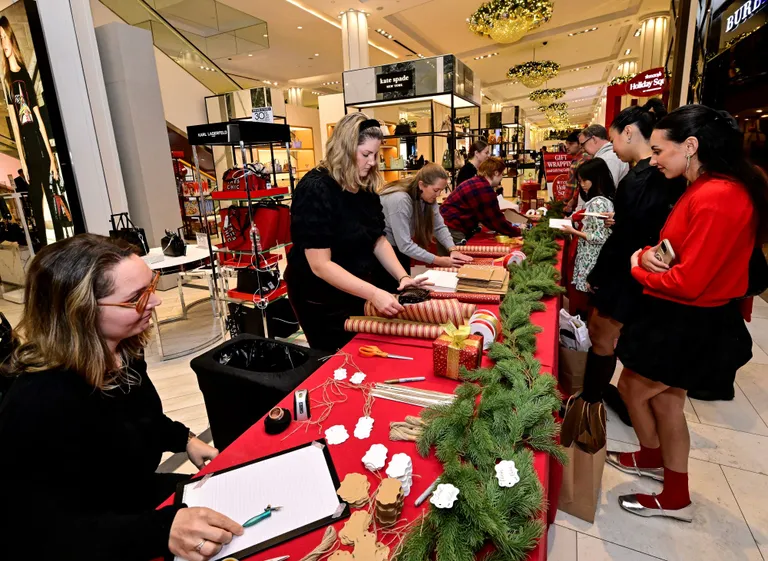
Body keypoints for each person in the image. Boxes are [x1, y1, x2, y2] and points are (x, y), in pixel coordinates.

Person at [0, 234, 243, 561]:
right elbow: (43, 531)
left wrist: (182, 438)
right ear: (79, 312)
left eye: (151, 286)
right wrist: (160, 531)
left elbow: (136, 417)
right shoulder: (37, 404)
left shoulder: (121, 352)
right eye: (137, 298)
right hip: (101, 535)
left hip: (137, 500)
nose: (155, 302)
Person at [611, 105, 764, 521]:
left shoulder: (718, 196)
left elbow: (687, 282)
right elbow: (670, 252)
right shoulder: (706, 188)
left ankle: (661, 470)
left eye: (660, 150)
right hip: (681, 315)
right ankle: (667, 479)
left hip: (689, 321)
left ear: (690, 146)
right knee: (666, 404)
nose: (654, 158)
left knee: (634, 390)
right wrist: (646, 255)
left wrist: (637, 267)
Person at [285, 112, 430, 352]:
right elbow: (320, 265)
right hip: (318, 296)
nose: (372, 162)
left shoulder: (364, 186)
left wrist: (403, 277)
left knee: (362, 351)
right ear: (344, 149)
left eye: (375, 155)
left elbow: (378, 239)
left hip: (354, 286)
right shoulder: (315, 189)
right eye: (366, 154)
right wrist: (374, 293)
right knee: (335, 358)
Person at [581, 100, 685, 424]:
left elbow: (627, 237)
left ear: (628, 133)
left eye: (613, 140)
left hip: (626, 273)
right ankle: (597, 399)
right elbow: (637, 224)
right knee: (609, 339)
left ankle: (590, 405)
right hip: (636, 268)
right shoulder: (649, 176)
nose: (613, 148)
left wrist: (595, 273)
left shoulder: (641, 177)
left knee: (602, 336)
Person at [0, 17, 64, 246]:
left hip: (39, 141)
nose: (3, 43)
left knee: (51, 196)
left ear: (11, 39)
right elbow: (16, 126)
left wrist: (53, 159)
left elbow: (38, 118)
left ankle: (59, 242)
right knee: (36, 199)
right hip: (28, 146)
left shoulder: (24, 74)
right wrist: (23, 162)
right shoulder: (6, 81)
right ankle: (45, 248)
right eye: (0, 39)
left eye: (5, 37)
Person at [376, 163, 473, 292]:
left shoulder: (427, 197)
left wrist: (452, 249)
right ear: (422, 185)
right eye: (436, 190)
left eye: (441, 190)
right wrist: (438, 260)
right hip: (384, 253)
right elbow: (405, 245)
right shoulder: (400, 199)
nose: (438, 194)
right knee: (391, 292)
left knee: (403, 290)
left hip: (398, 249)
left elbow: (439, 226)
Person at [560, 159, 615, 312]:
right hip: (590, 258)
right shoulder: (602, 199)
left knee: (585, 304)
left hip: (591, 259)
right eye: (580, 181)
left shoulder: (598, 203)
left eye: (584, 180)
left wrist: (573, 231)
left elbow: (599, 237)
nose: (582, 185)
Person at [440, 156, 521, 248]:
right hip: (453, 229)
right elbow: (495, 220)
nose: (501, 178)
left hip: (447, 225)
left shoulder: (476, 182)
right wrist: (518, 231)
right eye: (502, 174)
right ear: (496, 173)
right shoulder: (484, 189)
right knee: (455, 258)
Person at [578, 124, 630, 188]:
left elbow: (606, 189)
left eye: (583, 144)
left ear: (594, 139)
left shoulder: (609, 159)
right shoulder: (606, 157)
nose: (582, 150)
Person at [564, 131, 590, 215]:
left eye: (571, 144)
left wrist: (572, 201)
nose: (567, 147)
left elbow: (581, 185)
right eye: (566, 144)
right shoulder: (576, 159)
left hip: (577, 205)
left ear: (580, 144)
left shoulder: (584, 159)